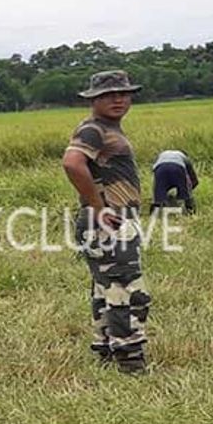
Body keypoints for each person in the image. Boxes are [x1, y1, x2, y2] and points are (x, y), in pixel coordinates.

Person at [62, 70, 153, 374]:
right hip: (110, 219)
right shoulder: (94, 129)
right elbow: (72, 163)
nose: (118, 99)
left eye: (123, 94)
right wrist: (98, 206)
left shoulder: (107, 128)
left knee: (107, 288)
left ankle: (106, 347)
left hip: (109, 218)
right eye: (108, 95)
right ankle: (130, 359)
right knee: (127, 288)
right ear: (93, 99)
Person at [151, 149, 199, 214]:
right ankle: (190, 209)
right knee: (184, 190)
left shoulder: (163, 154)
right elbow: (193, 177)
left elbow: (154, 168)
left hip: (160, 168)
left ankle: (155, 210)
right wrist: (189, 189)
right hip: (177, 167)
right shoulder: (184, 157)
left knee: (159, 189)